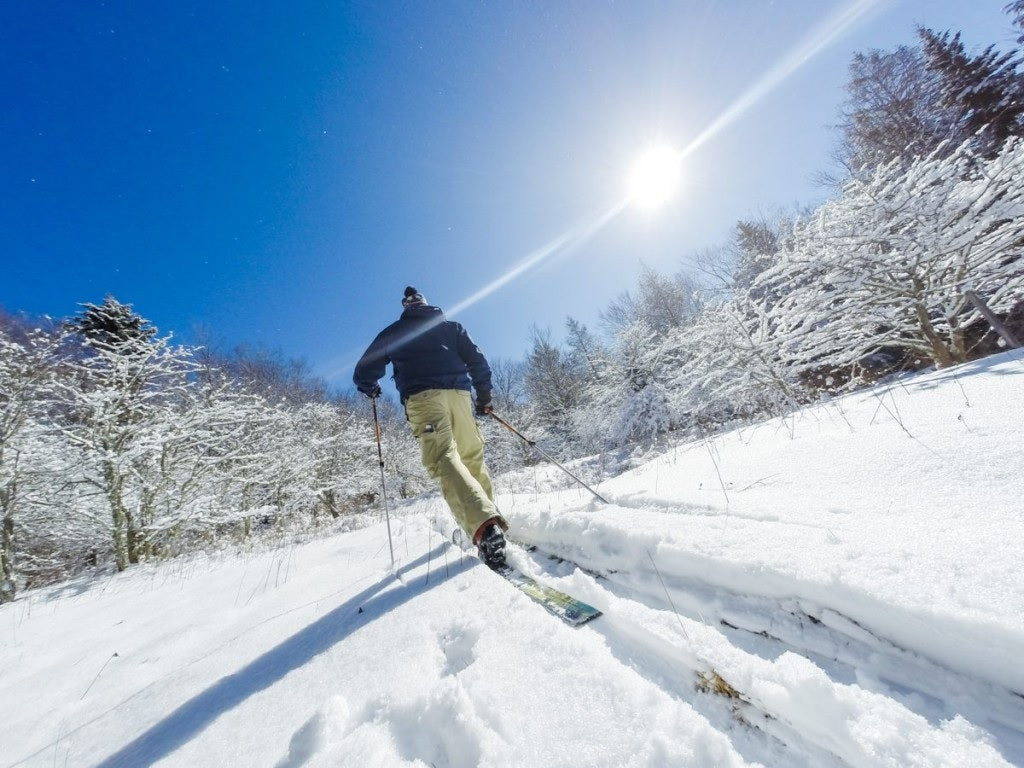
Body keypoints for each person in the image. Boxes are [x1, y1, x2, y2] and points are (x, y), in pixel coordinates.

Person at [353, 286, 509, 566]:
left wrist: (370, 387)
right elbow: (478, 361)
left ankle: (484, 527)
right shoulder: (452, 328)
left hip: (423, 396)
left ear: (406, 307)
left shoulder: (396, 331)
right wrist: (483, 397)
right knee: (471, 456)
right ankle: (489, 521)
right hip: (460, 396)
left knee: (444, 457)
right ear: (426, 305)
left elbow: (365, 368)